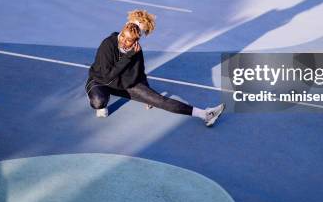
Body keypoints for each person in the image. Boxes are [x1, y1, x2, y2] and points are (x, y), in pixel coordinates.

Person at [84, 10, 225, 127]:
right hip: (100, 81)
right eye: (125, 36)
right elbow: (108, 76)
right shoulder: (108, 44)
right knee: (98, 102)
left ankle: (204, 114)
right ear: (126, 26)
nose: (125, 41)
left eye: (134, 37)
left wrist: (148, 96)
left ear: (138, 37)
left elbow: (139, 73)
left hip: (124, 85)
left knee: (159, 101)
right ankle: (102, 102)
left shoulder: (136, 51)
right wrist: (128, 57)